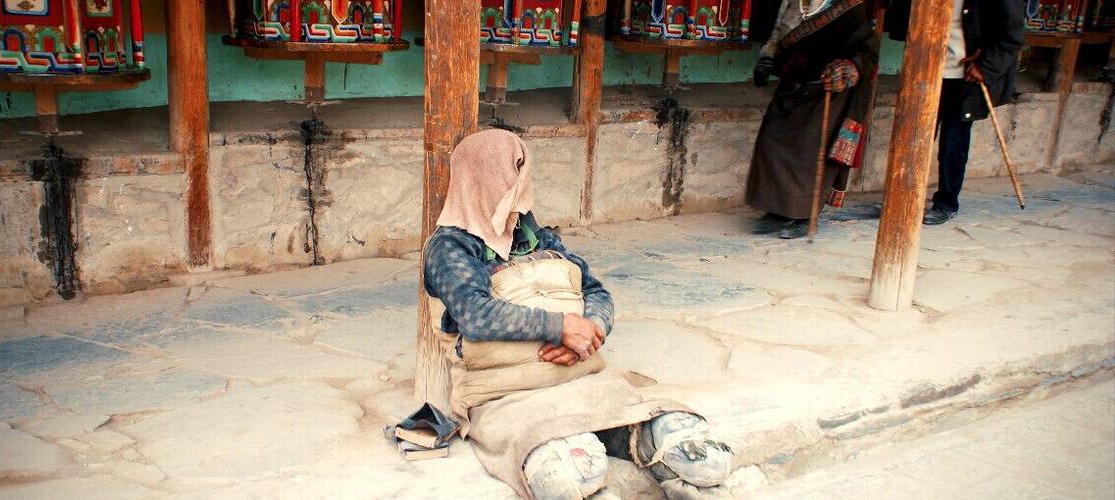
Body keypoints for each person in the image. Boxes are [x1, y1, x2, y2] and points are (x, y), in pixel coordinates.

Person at [423, 129, 733, 500]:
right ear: (483, 174)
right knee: (568, 477)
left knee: (703, 459)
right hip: (508, 396)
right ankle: (577, 452)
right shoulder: (449, 247)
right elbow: (474, 314)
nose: (522, 179)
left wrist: (588, 333)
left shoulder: (535, 235)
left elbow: (596, 292)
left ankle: (637, 440)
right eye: (515, 167)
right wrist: (560, 326)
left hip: (582, 378)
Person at [747, 0, 880, 238]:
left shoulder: (850, 9)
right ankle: (779, 208)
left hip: (830, 91)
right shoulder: (789, 4)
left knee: (811, 149)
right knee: (771, 139)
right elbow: (777, 36)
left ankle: (806, 214)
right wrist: (766, 60)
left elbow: (867, 52)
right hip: (795, 85)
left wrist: (847, 68)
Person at [885, 0, 1024, 225]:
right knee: (912, 138)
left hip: (962, 76)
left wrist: (986, 66)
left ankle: (946, 203)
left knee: (953, 144)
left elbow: (1012, 34)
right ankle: (903, 198)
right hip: (925, 69)